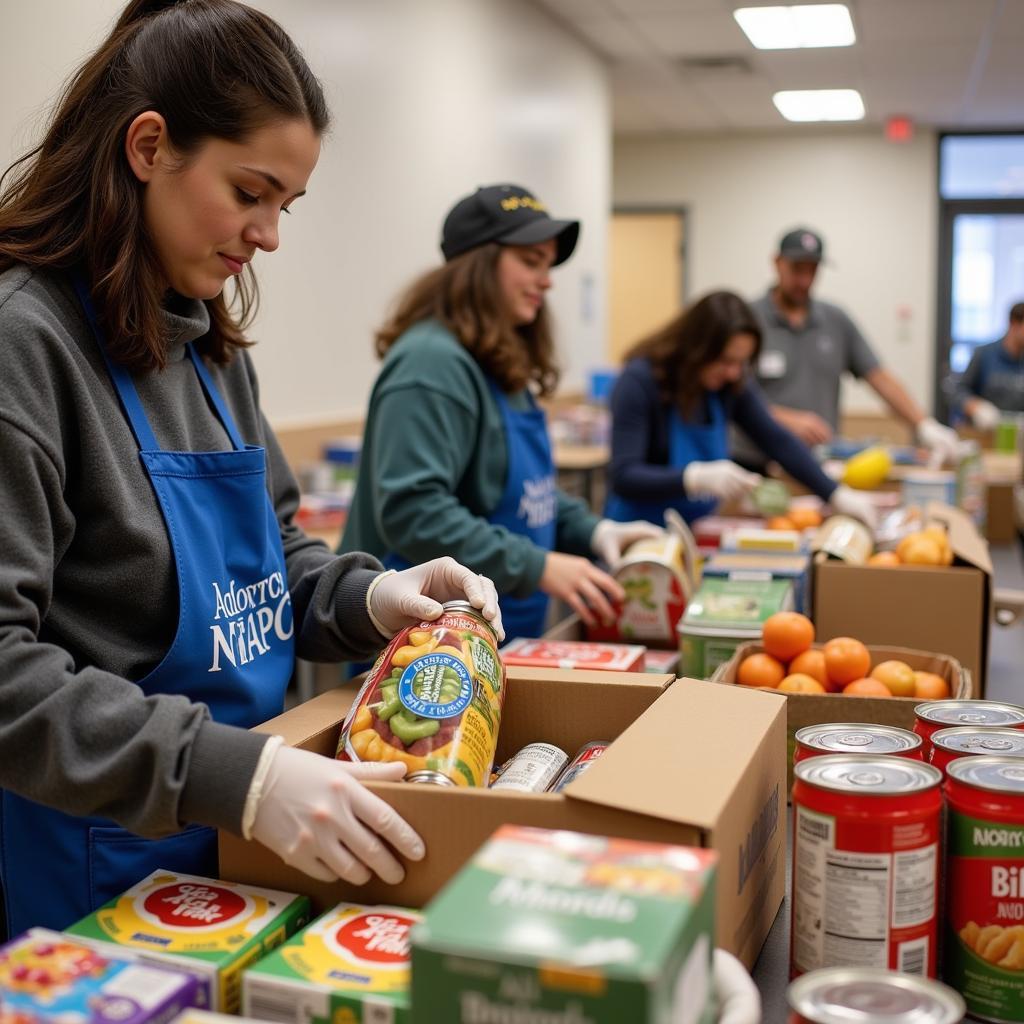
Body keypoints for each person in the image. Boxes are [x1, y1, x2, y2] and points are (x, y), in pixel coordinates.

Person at [0, 0, 505, 936]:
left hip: (246, 842)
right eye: (250, 192)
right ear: (149, 147)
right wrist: (243, 776)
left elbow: (270, 557)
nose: (269, 234)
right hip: (94, 859)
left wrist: (366, 597)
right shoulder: (25, 345)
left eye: (287, 205)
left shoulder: (212, 345)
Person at [340, 184, 660, 639]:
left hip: (492, 629)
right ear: (477, 266)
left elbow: (526, 498)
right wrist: (538, 564)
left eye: (548, 265)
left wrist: (593, 529)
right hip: (427, 639)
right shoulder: (431, 364)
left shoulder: (496, 359)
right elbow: (415, 512)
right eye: (530, 262)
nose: (547, 280)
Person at [605, 291, 877, 527]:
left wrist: (835, 493)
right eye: (725, 361)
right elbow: (625, 476)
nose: (734, 372)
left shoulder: (726, 385)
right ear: (696, 348)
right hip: (639, 535)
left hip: (692, 531)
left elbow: (777, 440)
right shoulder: (640, 382)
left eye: (742, 363)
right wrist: (694, 477)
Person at [734, 227, 960, 467]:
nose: (805, 280)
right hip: (756, 462)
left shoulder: (835, 320)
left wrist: (924, 424)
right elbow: (730, 395)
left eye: (812, 271)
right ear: (777, 263)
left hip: (815, 466)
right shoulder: (748, 319)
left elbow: (879, 377)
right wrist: (784, 419)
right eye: (797, 269)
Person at [957, 301, 1024, 428]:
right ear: (1014, 323)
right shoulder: (984, 354)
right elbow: (957, 390)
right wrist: (975, 406)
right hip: (985, 433)